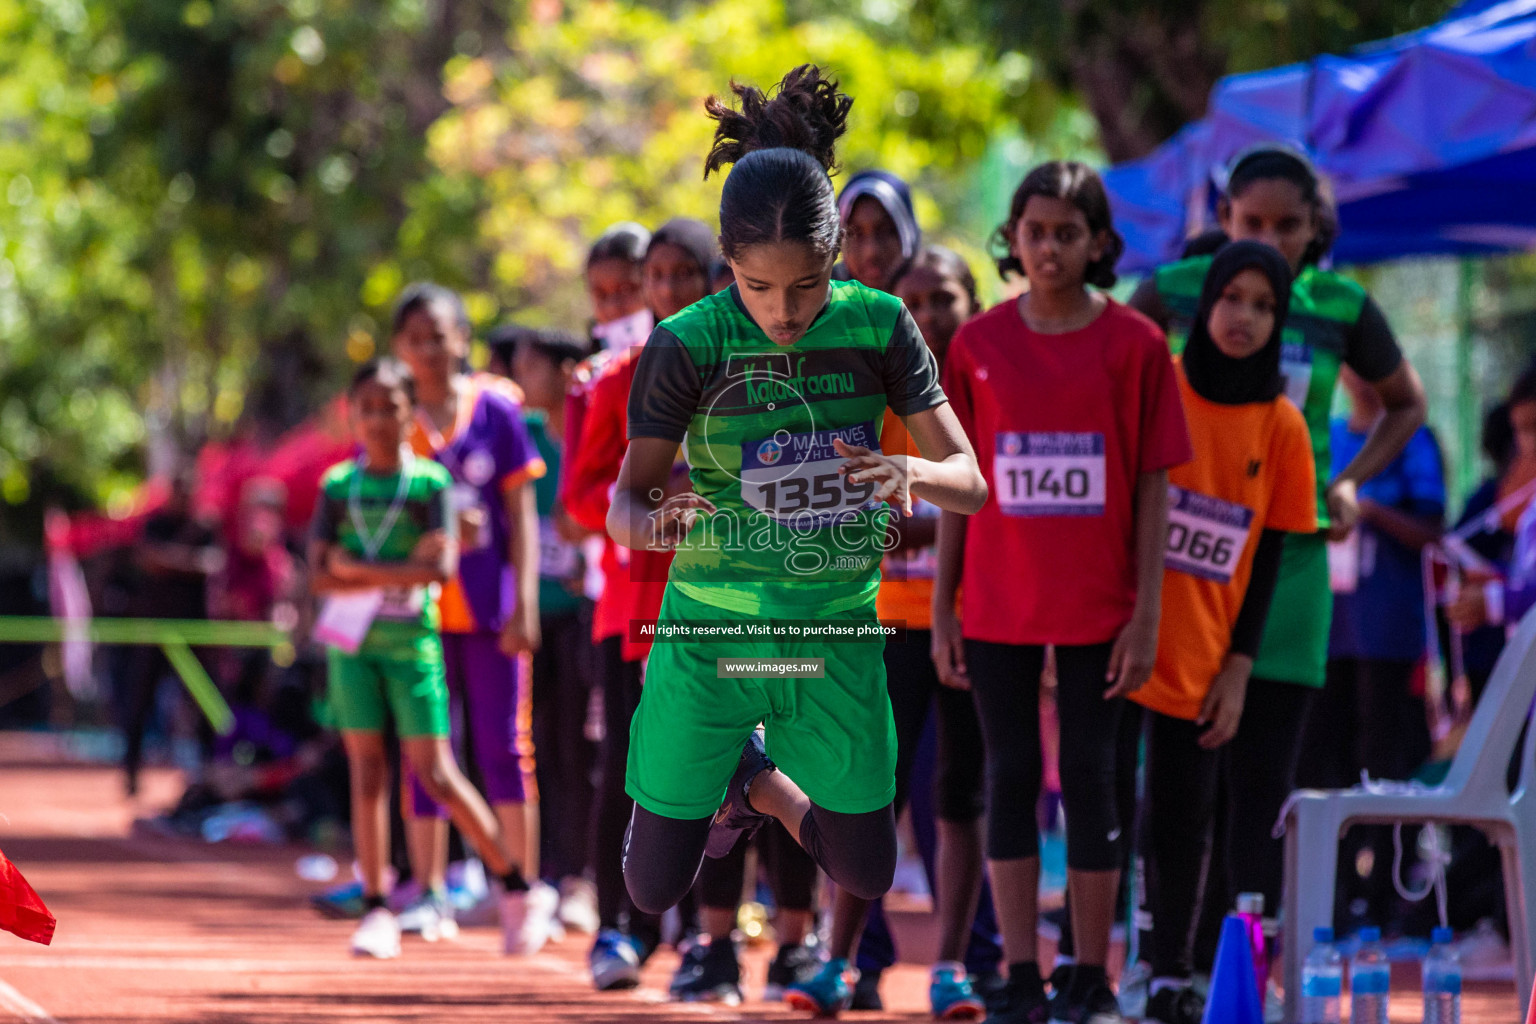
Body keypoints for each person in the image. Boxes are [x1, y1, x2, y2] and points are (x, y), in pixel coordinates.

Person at [609, 61, 986, 1010]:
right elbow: (626, 503)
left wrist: (909, 471)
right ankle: (738, 774)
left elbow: (972, 484)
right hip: (709, 635)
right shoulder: (687, 343)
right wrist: (656, 522)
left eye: (807, 285)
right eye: (757, 287)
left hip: (831, 635)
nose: (783, 313)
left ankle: (759, 786)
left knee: (863, 868)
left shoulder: (881, 325)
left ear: (840, 259)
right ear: (726, 267)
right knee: (652, 887)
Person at [1129, 144, 1426, 973]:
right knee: (1180, 787)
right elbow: (1117, 378)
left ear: (1314, 229)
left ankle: (1243, 970)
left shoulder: (1340, 304)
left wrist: (1352, 484)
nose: (1270, 237)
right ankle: (1168, 966)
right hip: (1186, 574)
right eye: (1250, 222)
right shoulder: (1177, 291)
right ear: (1221, 221)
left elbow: (1406, 405)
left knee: (1261, 789)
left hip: (1289, 566)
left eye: (1287, 226)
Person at [934, 160, 1192, 1024]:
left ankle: (1089, 972)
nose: (1049, 248)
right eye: (1035, 232)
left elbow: (1156, 484)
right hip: (999, 602)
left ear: (1098, 243)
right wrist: (944, 606)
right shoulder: (976, 347)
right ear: (1013, 240)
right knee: (1009, 776)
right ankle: (1016, 973)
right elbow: (959, 486)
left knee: (1090, 774)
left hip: (1102, 604)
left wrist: (1149, 613)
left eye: (1067, 233)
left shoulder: (1138, 347)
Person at [790, 245, 1001, 1020]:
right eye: (915, 297)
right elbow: (848, 504)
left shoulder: (978, 391)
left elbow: (979, 502)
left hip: (966, 629)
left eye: (946, 296)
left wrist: (906, 515)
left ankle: (950, 967)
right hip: (874, 626)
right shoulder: (870, 387)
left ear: (971, 302)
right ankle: (836, 964)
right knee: (860, 791)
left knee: (958, 798)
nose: (931, 312)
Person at [1130, 242, 1317, 1024]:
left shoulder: (1282, 425)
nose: (1243, 317)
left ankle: (1184, 973)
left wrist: (1240, 664)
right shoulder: (1160, 389)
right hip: (1123, 642)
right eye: (1230, 297)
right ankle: (1125, 969)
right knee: (1116, 809)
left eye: (1263, 305)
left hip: (1204, 658)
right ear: (1204, 302)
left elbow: (1270, 550)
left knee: (1190, 815)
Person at [308, 359, 531, 960]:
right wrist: (361, 573)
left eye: (391, 408)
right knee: (368, 773)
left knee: (435, 771)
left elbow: (440, 570)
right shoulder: (336, 489)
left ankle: (514, 882)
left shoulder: (430, 486)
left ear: (412, 414)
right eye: (368, 408)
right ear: (352, 414)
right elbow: (317, 577)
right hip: (353, 650)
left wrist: (356, 570)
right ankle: (379, 904)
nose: (379, 420)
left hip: (414, 646)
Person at [567, 218, 720, 989]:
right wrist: (662, 495)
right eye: (654, 277)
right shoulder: (617, 377)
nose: (664, 290)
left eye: (680, 274)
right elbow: (582, 496)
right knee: (629, 769)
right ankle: (616, 932)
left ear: (713, 276)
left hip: (723, 598)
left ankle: (700, 933)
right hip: (634, 605)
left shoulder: (740, 364)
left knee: (717, 767)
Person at [388, 283, 554, 953]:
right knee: (426, 750)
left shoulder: (496, 412)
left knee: (504, 748)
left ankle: (523, 889)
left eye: (441, 335)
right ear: (400, 347)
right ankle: (428, 890)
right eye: (415, 337)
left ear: (463, 339)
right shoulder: (393, 417)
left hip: (490, 611)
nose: (429, 349)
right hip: (418, 613)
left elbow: (521, 514)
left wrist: (527, 601)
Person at [1301, 367, 1444, 935]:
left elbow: (1432, 531)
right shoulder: (1327, 434)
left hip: (1388, 637)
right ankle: (1331, 898)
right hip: (1326, 633)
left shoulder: (1412, 439)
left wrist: (1371, 510)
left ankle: (1389, 895)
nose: (1362, 378)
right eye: (1352, 365)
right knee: (1320, 761)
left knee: (1385, 760)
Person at [501, 325, 602, 934]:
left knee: (583, 745)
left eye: (530, 367)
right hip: (534, 621)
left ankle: (586, 877)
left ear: (565, 372)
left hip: (588, 617)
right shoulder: (526, 437)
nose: (520, 379)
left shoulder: (593, 430)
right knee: (541, 744)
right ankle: (549, 871)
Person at [121, 471, 222, 795]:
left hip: (194, 629)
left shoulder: (206, 528)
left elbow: (213, 564)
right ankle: (132, 771)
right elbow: (149, 559)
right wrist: (185, 561)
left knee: (206, 702)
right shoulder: (156, 524)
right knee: (139, 699)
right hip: (156, 628)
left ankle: (208, 774)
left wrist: (173, 560)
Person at [837, 169, 921, 292]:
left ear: (908, 233)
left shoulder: (936, 298)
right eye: (854, 234)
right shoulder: (819, 305)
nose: (871, 252)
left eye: (886, 231)